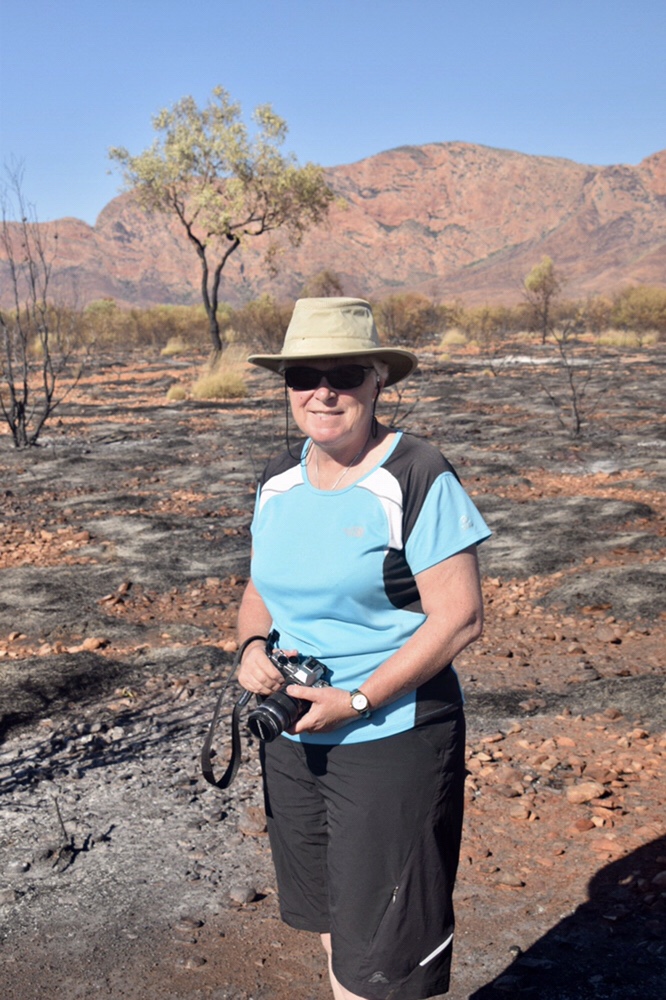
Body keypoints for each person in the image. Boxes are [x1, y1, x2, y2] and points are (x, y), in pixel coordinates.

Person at [236, 297, 490, 1000]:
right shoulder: (277, 477)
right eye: (303, 375)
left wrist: (357, 699)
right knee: (330, 921)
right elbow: (260, 588)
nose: (323, 392)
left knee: (381, 955)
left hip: (390, 735)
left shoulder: (415, 472)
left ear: (378, 380)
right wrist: (251, 645)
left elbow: (461, 617)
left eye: (344, 374)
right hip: (294, 735)